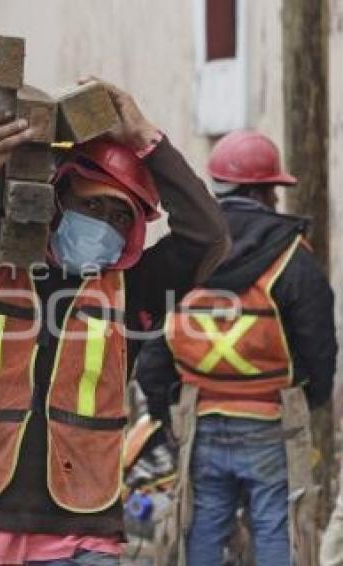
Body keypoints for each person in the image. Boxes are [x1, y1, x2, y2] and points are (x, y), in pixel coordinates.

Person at [0, 78, 229, 566]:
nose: (104, 223)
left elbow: (207, 236)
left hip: (84, 528)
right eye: (91, 205)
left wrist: (146, 139)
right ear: (58, 200)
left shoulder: (135, 293)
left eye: (120, 216)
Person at [135, 129, 336, 566]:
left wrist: (161, 410)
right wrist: (312, 397)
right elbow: (319, 344)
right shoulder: (293, 258)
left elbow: (152, 347)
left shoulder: (186, 252)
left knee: (204, 523)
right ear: (265, 191)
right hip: (270, 419)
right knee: (274, 524)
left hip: (201, 418)